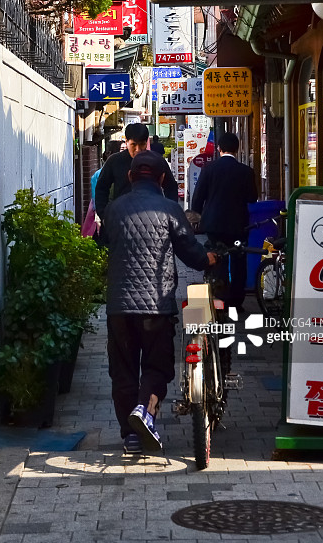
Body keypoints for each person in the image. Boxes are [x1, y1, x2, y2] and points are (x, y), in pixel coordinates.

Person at [103, 150, 216, 454]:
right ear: (163, 179)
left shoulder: (114, 209)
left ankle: (130, 435)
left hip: (118, 307)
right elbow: (190, 252)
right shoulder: (169, 209)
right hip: (156, 304)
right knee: (157, 367)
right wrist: (208, 258)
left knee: (123, 370)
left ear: (129, 176)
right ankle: (144, 410)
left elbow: (104, 242)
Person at [191, 132, 258, 312]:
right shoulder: (246, 171)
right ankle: (236, 302)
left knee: (217, 259)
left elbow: (198, 198)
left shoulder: (209, 169)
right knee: (238, 260)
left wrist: (195, 218)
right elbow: (252, 198)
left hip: (213, 224)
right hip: (238, 225)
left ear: (219, 148)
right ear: (237, 149)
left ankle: (221, 299)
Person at [95, 122, 177, 221]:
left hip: (153, 217)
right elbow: (101, 188)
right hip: (121, 217)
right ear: (126, 142)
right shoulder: (115, 161)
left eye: (142, 144)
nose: (138, 149)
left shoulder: (157, 161)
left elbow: (171, 187)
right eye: (133, 144)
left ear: (146, 142)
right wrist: (104, 215)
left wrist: (171, 213)